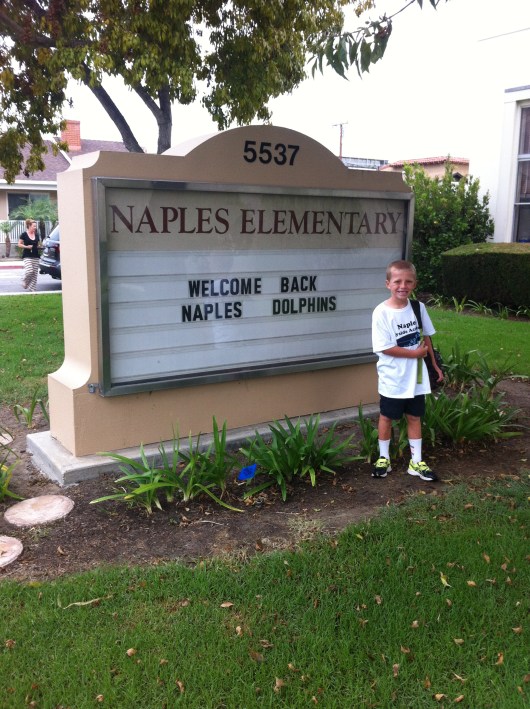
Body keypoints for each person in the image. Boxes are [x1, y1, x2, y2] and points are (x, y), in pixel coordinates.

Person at [371, 259, 443, 482]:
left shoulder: (418, 308)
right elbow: (384, 347)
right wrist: (414, 355)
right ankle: (384, 459)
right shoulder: (381, 312)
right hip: (393, 377)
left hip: (417, 378)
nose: (403, 286)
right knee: (387, 417)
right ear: (388, 284)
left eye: (408, 281)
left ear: (414, 284)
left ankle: (416, 461)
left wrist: (434, 365)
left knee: (414, 417)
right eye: (397, 281)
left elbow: (427, 338)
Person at [18, 219, 41, 291]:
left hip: (35, 256)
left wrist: (40, 247)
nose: (35, 228)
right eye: (34, 226)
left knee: (34, 274)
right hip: (27, 255)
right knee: (29, 271)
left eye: (35, 226)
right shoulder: (24, 234)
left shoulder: (37, 235)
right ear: (29, 226)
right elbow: (19, 244)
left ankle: (32, 289)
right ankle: (24, 280)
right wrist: (26, 247)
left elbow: (37, 245)